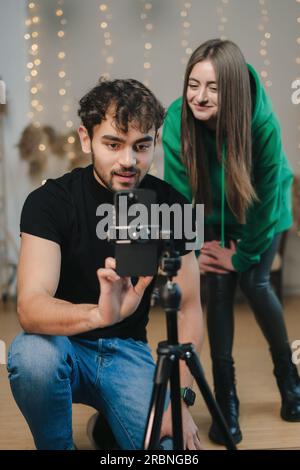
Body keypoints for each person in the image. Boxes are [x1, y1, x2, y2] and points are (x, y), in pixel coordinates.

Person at [7, 79, 203, 450]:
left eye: (141, 146)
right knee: (30, 356)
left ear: (154, 143)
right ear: (86, 139)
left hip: (128, 351)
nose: (128, 161)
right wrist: (101, 314)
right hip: (59, 343)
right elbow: (30, 307)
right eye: (113, 144)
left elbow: (191, 310)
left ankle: (109, 427)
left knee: (168, 450)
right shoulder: (48, 201)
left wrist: (177, 400)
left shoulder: (173, 204)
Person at [163, 39, 300, 445]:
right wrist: (192, 249)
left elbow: (264, 202)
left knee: (254, 284)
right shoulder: (177, 119)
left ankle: (288, 378)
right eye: (193, 84)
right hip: (210, 217)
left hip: (262, 217)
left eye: (213, 88)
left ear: (234, 90)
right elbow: (178, 194)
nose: (198, 97)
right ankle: (226, 397)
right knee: (217, 290)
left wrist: (242, 256)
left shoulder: (262, 126)